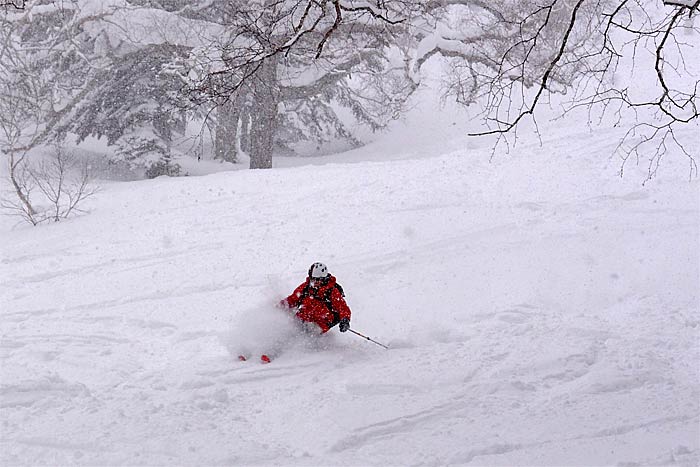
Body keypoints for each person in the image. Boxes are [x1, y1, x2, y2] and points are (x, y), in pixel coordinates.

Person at [279, 262, 351, 335]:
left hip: (319, 323)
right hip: (303, 318)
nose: (313, 282)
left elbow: (342, 308)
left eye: (316, 280)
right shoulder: (306, 287)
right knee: (289, 325)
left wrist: (345, 320)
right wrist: (280, 305)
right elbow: (293, 299)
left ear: (323, 279)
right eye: (312, 279)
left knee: (308, 332)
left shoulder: (331, 291)